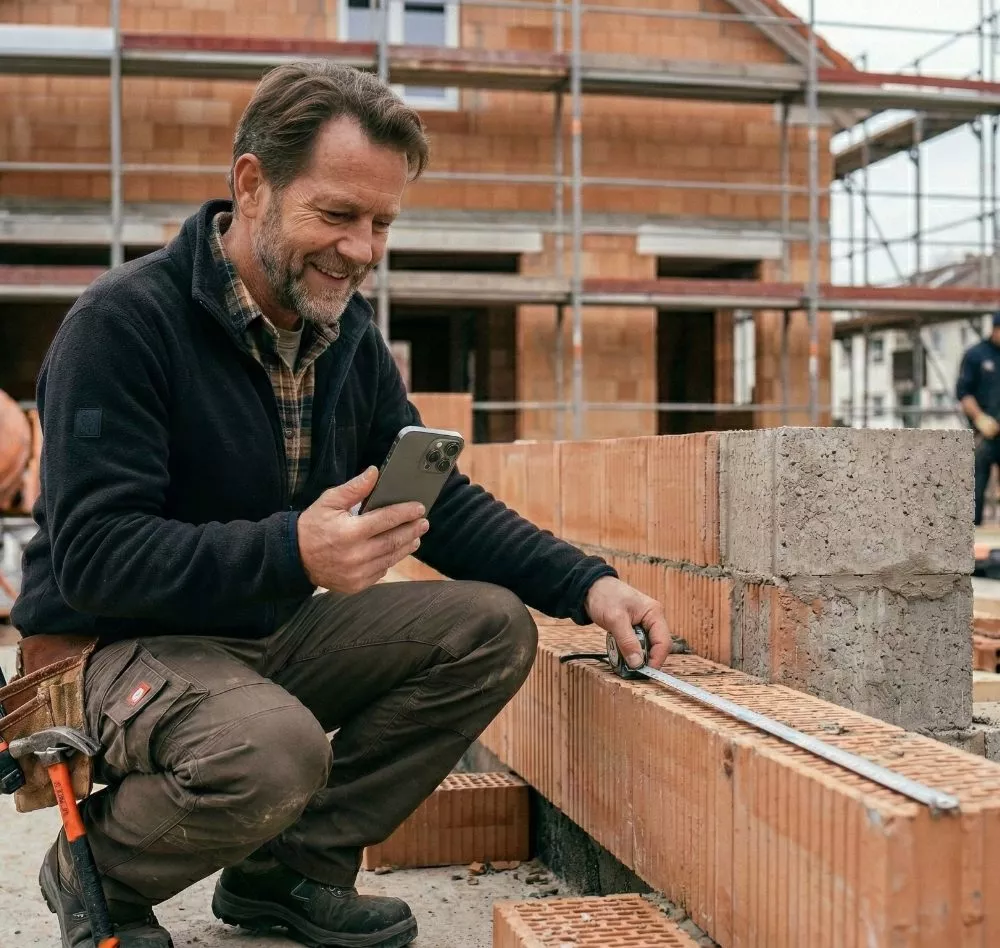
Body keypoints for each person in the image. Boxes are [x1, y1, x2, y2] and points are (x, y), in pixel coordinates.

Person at [10, 62, 670, 948]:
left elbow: (435, 501)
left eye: (381, 223)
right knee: (273, 750)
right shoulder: (123, 325)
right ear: (252, 185)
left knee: (488, 627)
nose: (361, 249)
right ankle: (101, 870)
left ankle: (287, 873)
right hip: (111, 645)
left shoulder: (344, 337)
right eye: (337, 215)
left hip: (253, 633)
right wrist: (294, 554)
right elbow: (93, 557)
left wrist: (589, 586)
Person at [957, 311, 1000, 525]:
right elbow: (964, 393)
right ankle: (973, 531)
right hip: (983, 432)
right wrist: (980, 418)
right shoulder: (976, 355)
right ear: (995, 329)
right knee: (975, 485)